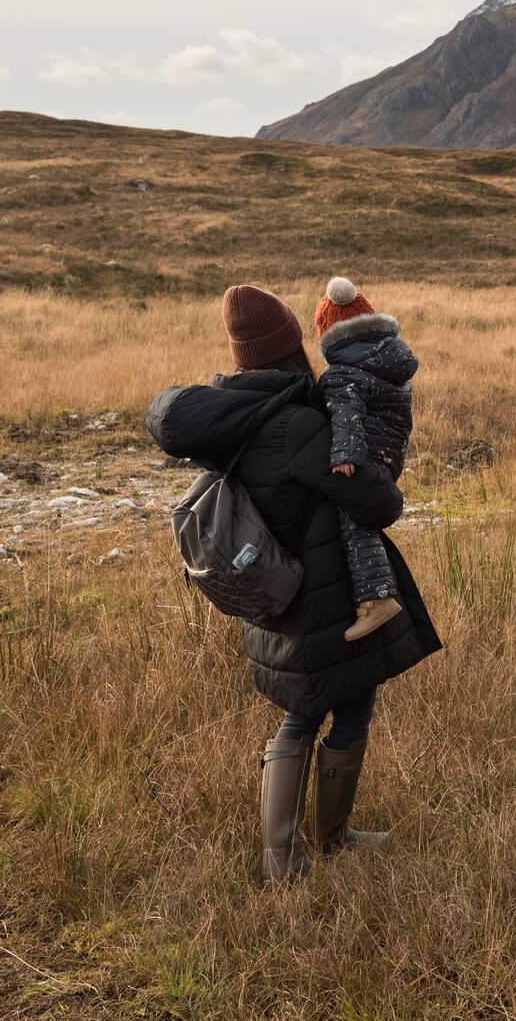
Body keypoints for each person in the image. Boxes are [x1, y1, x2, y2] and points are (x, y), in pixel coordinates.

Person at [145, 284, 442, 881]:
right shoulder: (294, 427)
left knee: (353, 702)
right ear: (290, 347)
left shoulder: (244, 419)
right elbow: (376, 503)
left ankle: (333, 838)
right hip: (316, 598)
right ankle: (282, 858)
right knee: (305, 717)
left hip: (290, 592)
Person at [311, 276, 417, 644]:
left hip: (364, 456)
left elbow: (346, 413)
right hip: (390, 454)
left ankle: (376, 599)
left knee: (353, 519)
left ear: (328, 332)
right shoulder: (392, 362)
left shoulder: (343, 373)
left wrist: (345, 455)